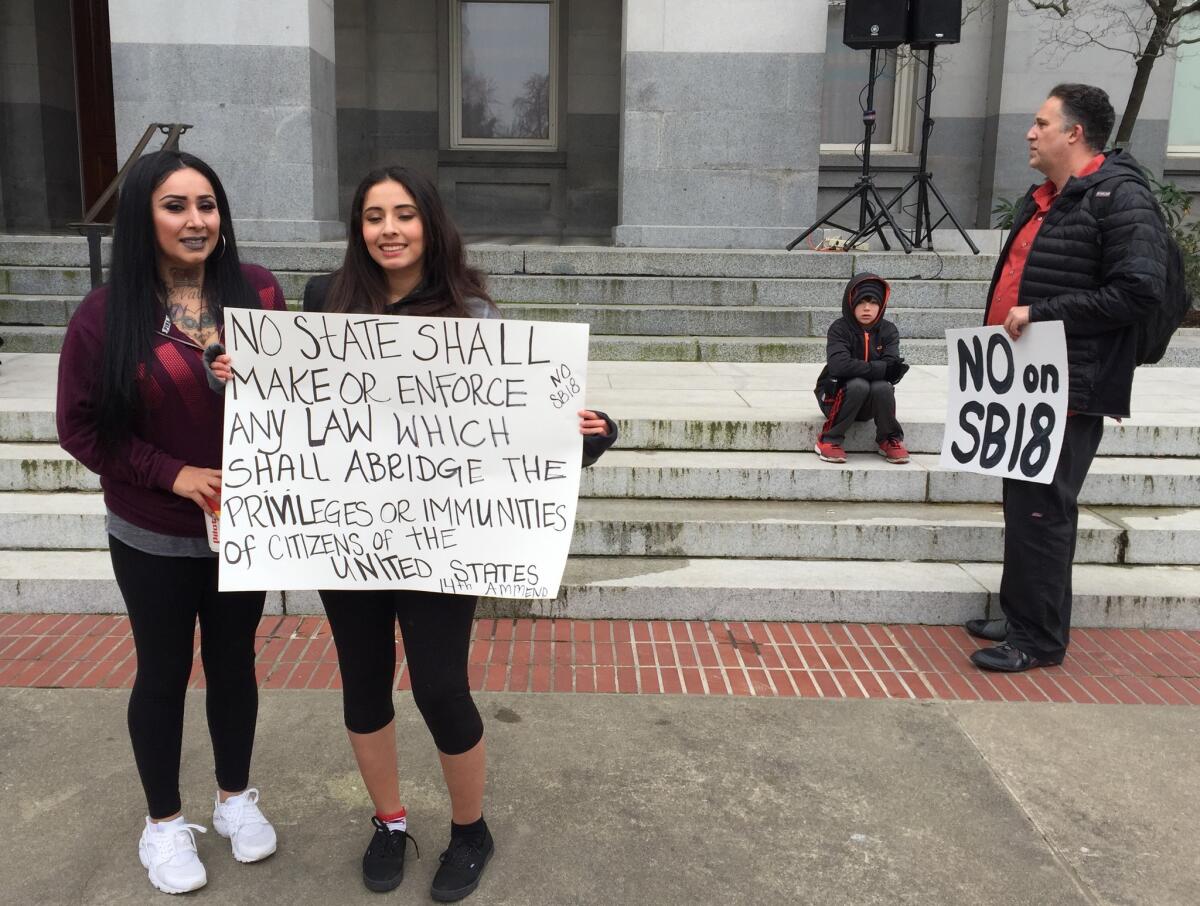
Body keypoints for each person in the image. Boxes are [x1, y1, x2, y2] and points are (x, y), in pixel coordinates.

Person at [219, 165, 614, 900]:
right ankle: (390, 821)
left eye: (404, 214)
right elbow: (291, 403)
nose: (389, 229)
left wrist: (585, 434)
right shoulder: (322, 302)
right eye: (374, 216)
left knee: (439, 687)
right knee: (364, 685)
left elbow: (510, 425)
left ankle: (471, 829)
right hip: (348, 533)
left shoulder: (472, 314)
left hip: (443, 537)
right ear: (357, 229)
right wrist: (240, 378)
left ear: (430, 225)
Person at [56, 150, 285, 894]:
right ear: (143, 218)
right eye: (176, 206)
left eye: (208, 205)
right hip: (152, 531)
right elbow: (82, 428)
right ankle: (162, 823)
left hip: (243, 529)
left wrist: (265, 388)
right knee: (162, 672)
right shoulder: (103, 316)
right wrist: (172, 474)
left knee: (235, 666)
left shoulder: (258, 291)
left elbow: (302, 398)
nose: (196, 221)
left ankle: (233, 800)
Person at [965, 84, 1169, 672]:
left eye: (1041, 123)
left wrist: (1042, 314)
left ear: (1074, 133)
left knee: (1043, 510)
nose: (1030, 132)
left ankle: (1039, 640)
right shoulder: (1049, 197)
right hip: (1023, 385)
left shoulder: (1119, 197)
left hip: (1070, 387)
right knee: (1022, 504)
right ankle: (1022, 612)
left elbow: (1139, 290)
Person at [813, 272, 911, 464]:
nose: (867, 308)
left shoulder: (888, 330)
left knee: (882, 387)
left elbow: (892, 368)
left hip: (870, 403)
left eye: (873, 302)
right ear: (851, 303)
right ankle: (829, 439)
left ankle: (889, 439)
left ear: (881, 305)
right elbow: (839, 366)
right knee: (859, 385)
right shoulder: (839, 329)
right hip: (835, 399)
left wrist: (874, 369)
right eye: (861, 302)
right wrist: (879, 369)